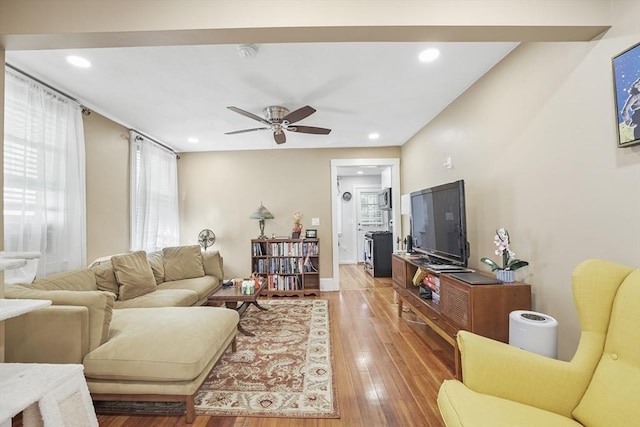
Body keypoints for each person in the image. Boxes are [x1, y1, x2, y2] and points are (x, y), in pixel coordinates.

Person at [621, 77, 640, 141]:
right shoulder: (634, 97)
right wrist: (628, 122)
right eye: (639, 84)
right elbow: (624, 111)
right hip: (638, 118)